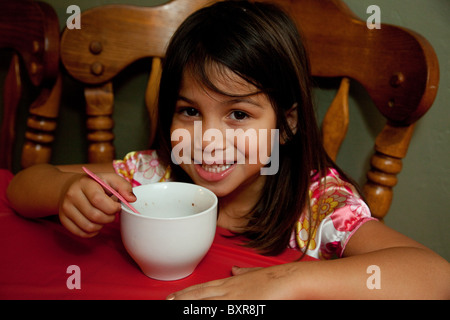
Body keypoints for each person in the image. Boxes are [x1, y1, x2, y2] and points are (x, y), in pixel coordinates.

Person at [7, 1, 449, 299]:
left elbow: (436, 276)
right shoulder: (154, 176)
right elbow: (21, 187)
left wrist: (288, 279)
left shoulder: (316, 204)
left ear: (286, 123)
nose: (209, 139)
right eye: (189, 111)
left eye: (238, 114)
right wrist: (65, 195)